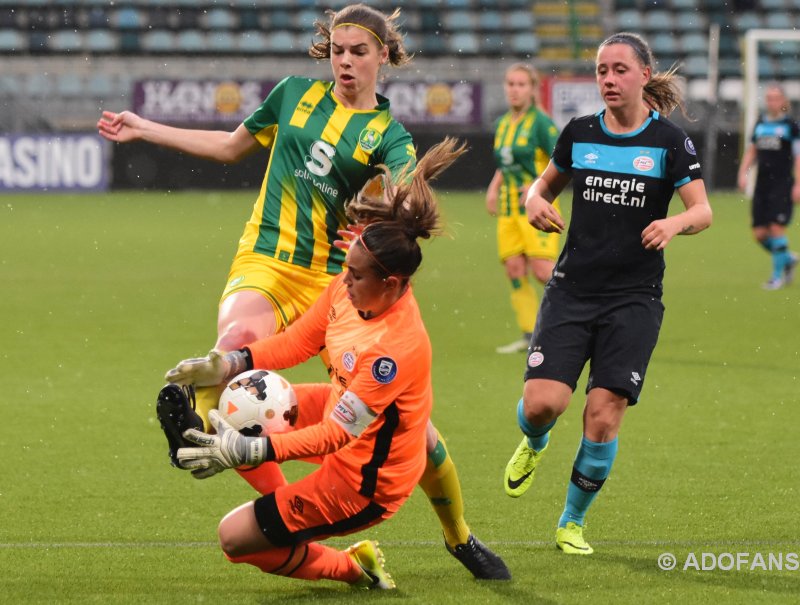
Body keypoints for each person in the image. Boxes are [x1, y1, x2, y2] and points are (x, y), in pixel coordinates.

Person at [97, 4, 509, 580]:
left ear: (383, 57)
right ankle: (228, 455)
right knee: (235, 353)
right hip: (267, 259)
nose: (345, 61)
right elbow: (229, 147)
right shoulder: (293, 94)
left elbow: (403, 200)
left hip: (336, 280)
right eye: (338, 50)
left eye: (358, 52)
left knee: (421, 437)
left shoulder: (388, 136)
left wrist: (377, 211)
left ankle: (459, 537)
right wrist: (145, 128)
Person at [162, 139, 475, 589]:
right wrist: (229, 362)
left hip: (366, 481)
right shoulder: (350, 288)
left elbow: (336, 435)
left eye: (355, 276)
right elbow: (296, 342)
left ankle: (353, 568)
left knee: (233, 537)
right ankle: (286, 506)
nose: (343, 281)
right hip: (343, 413)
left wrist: (256, 451)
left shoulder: (393, 349)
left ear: (390, 284)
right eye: (346, 269)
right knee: (237, 405)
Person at [502, 32, 712, 555]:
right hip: (573, 290)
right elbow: (542, 186)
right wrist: (533, 201)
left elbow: (704, 210)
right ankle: (534, 440)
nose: (609, 80)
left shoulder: (668, 141)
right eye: (602, 70)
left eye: (620, 69)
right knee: (543, 404)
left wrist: (674, 224)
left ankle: (571, 522)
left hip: (634, 298)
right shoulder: (578, 133)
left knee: (603, 413)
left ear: (644, 74)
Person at [485, 63, 562, 354]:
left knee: (543, 271)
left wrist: (535, 187)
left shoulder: (542, 123)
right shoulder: (503, 123)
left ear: (532, 89)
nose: (514, 90)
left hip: (538, 208)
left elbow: (561, 162)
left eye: (520, 84)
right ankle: (530, 334)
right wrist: (494, 188)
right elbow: (506, 164)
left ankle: (577, 319)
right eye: (510, 84)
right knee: (515, 269)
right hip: (508, 210)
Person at [736, 83, 800, 290]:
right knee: (759, 234)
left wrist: (798, 183)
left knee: (775, 228)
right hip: (762, 184)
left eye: (776, 98)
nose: (772, 101)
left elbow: (799, 157)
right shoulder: (760, 123)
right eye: (769, 98)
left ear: (783, 101)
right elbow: (752, 150)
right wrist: (743, 173)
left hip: (782, 184)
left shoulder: (791, 126)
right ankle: (787, 258)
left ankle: (776, 277)